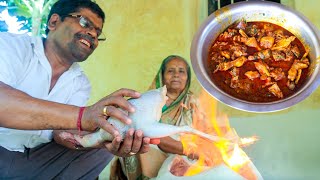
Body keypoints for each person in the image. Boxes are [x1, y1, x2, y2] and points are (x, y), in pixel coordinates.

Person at [0, 0, 155, 179]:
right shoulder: (12, 47)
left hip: (36, 158)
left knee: (106, 144)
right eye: (84, 23)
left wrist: (105, 135)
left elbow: (60, 133)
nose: (92, 35)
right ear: (54, 22)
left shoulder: (81, 83)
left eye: (98, 33)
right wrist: (82, 116)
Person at [110, 55, 200, 179]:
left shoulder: (193, 102)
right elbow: (145, 131)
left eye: (181, 71)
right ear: (161, 76)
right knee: (144, 144)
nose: (176, 75)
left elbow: (202, 131)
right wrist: (185, 149)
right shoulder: (147, 99)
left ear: (188, 77)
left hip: (182, 151)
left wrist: (192, 149)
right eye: (170, 71)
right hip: (154, 146)